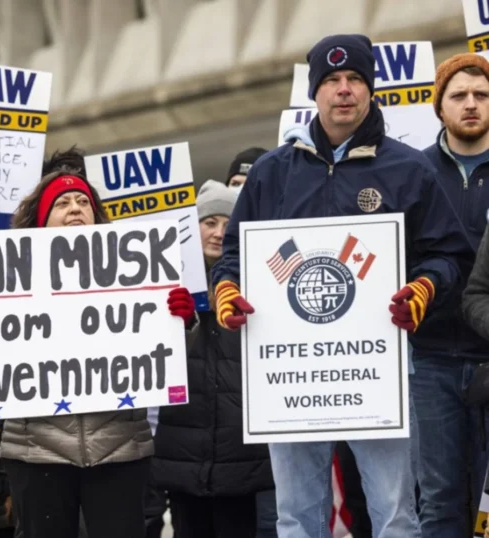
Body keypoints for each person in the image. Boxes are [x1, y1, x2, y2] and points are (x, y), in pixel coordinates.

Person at [211, 34, 470, 537]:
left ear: (371, 89)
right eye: (331, 80)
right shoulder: (272, 173)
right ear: (315, 91)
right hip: (290, 374)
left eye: (354, 79)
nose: (344, 90)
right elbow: (235, 255)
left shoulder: (406, 169)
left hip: (377, 371)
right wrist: (227, 291)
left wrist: (423, 290)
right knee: (297, 516)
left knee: (395, 512)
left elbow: (449, 254)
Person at [0, 162, 199, 538]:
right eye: (62, 203)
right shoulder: (7, 279)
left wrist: (180, 322)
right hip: (36, 449)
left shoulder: (137, 275)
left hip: (120, 446)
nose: (75, 207)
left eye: (82, 201)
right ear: (42, 220)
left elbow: (169, 360)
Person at [152, 180, 274, 538]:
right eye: (209, 223)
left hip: (239, 454)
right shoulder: (163, 282)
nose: (219, 233)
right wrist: (179, 323)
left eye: (228, 224)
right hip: (182, 450)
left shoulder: (259, 284)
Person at [417, 52, 489, 538]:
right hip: (430, 356)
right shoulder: (412, 172)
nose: (471, 105)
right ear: (439, 106)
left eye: (482, 96)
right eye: (458, 95)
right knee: (439, 497)